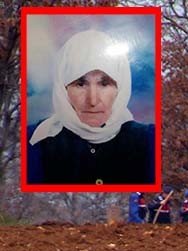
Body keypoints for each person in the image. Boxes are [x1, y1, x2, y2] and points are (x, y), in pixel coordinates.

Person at [27, 29, 154, 184]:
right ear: (63, 87)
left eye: (104, 83)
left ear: (120, 88)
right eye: (80, 84)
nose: (93, 100)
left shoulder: (148, 140)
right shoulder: (36, 140)